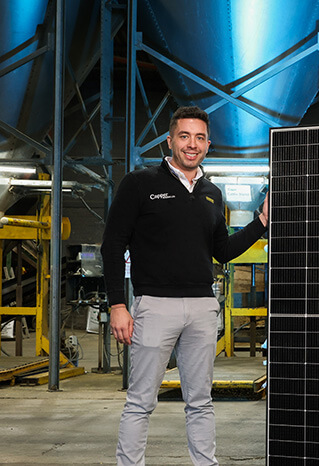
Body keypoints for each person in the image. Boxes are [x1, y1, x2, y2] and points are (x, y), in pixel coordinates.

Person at [102, 106, 268, 465]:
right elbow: (112, 245)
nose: (192, 144)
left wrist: (262, 221)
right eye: (184, 136)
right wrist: (118, 304)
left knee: (201, 401)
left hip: (201, 307)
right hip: (154, 305)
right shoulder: (140, 183)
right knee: (141, 401)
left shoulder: (212, 193)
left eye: (199, 138)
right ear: (170, 140)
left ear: (208, 144)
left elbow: (222, 252)